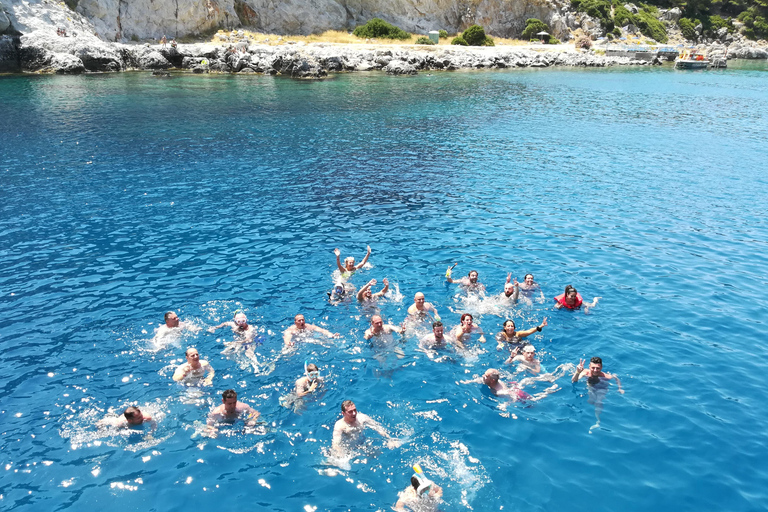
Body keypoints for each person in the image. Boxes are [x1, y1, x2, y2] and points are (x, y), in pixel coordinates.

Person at [572, 357, 624, 429]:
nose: (595, 370)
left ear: (601, 367)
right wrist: (577, 372)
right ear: (589, 366)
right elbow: (574, 381)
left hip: (602, 388)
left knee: (599, 402)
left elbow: (616, 378)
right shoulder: (585, 372)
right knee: (590, 401)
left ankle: (598, 422)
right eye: (593, 368)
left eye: (598, 368)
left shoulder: (606, 376)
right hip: (591, 386)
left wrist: (620, 388)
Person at [331, 400, 399, 454]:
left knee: (377, 453)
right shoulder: (339, 425)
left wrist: (389, 439)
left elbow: (378, 428)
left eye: (355, 410)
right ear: (343, 413)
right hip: (348, 450)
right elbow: (336, 443)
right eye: (350, 412)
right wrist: (341, 456)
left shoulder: (362, 418)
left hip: (362, 444)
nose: (354, 413)